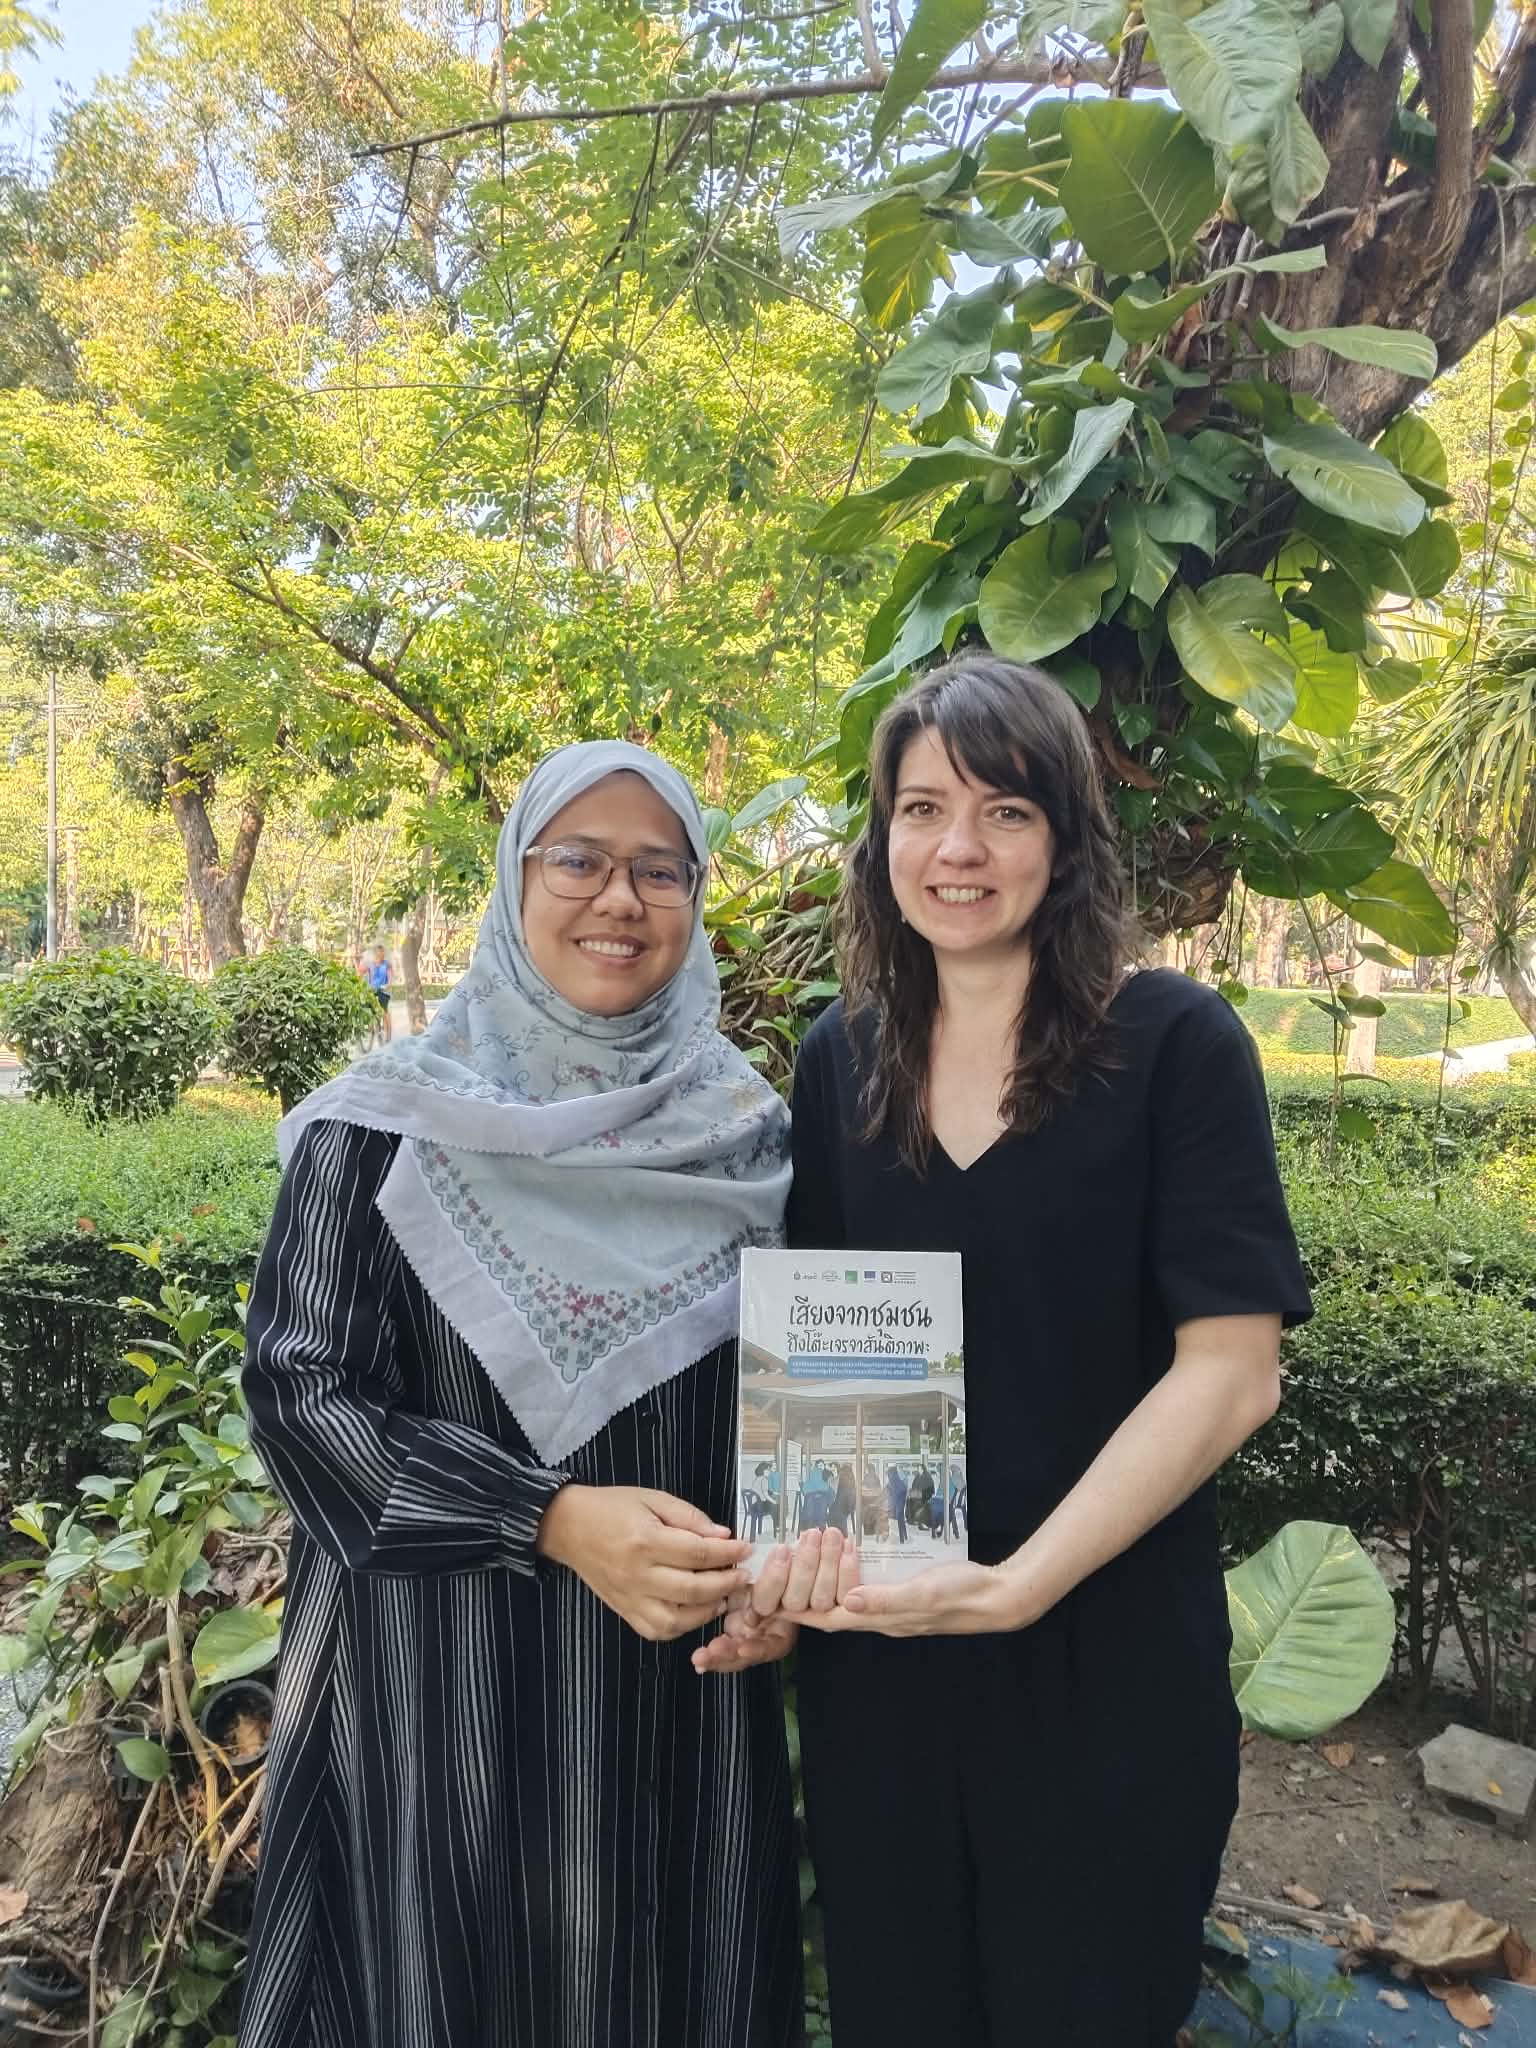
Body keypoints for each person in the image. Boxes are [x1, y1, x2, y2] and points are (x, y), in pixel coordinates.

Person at [697, 656, 1311, 2045]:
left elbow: (1233, 1370)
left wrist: (1019, 1587)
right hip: (884, 1675)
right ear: (883, 838)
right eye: (921, 809)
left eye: (1004, 811)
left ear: (1066, 836)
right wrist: (790, 1573)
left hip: (1105, 1663)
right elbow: (830, 1371)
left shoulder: (1175, 1044)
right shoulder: (840, 1056)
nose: (957, 848)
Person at [238, 741, 800, 2048]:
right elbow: (300, 1397)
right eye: (580, 860)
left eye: (659, 869)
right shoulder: (379, 1131)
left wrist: (793, 1575)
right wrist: (545, 1517)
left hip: (677, 1712)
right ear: (516, 880)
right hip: (438, 1704)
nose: (620, 899)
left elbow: (804, 1409)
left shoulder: (752, 1137)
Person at [367, 943, 393, 1043]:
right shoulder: (371, 965)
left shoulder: (387, 965)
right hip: (373, 990)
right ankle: (371, 1026)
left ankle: (388, 1035)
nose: (380, 954)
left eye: (382, 952)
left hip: (383, 991)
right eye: (378, 953)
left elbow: (390, 978)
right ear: (375, 954)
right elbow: (368, 978)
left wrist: (387, 985)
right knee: (368, 1007)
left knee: (384, 1010)